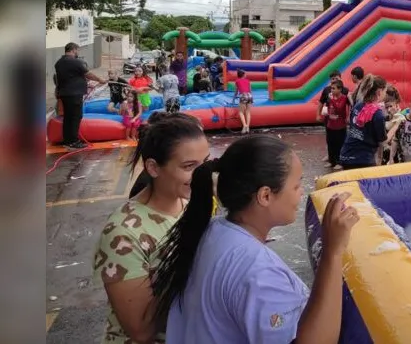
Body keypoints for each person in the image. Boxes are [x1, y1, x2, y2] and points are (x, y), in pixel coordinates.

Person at [150, 135, 359, 344]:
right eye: (296, 186)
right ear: (265, 196)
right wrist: (333, 251)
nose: (301, 193)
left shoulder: (213, 229)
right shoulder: (258, 272)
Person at [93, 113, 208, 344]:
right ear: (153, 168)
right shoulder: (124, 233)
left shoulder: (190, 205)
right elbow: (141, 330)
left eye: (204, 163)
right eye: (188, 166)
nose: (202, 175)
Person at [54, 42, 106, 149]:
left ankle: (67, 140)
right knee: (76, 117)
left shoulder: (59, 63)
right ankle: (74, 141)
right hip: (74, 94)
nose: (77, 52)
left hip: (64, 94)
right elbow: (88, 74)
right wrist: (99, 79)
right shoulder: (75, 61)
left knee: (68, 117)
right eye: (77, 50)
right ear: (73, 50)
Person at [339, 75, 387, 169]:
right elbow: (382, 141)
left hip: (346, 154)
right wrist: (397, 124)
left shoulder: (358, 105)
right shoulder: (377, 114)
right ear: (379, 92)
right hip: (362, 159)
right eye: (385, 91)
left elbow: (354, 125)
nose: (385, 94)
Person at [323, 79, 349, 168]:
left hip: (340, 126)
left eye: (334, 89)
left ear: (340, 89)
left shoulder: (344, 98)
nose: (332, 90)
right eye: (331, 88)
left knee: (339, 145)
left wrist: (332, 100)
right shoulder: (330, 98)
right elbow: (328, 108)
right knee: (330, 144)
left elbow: (339, 108)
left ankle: (340, 162)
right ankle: (332, 161)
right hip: (331, 125)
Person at [233, 69, 253, 133]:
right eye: (245, 74)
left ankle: (244, 125)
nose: (246, 75)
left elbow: (236, 91)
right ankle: (248, 127)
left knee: (241, 112)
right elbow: (250, 90)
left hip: (243, 95)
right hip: (249, 95)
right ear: (243, 75)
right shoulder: (248, 81)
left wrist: (234, 97)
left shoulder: (237, 81)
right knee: (248, 112)